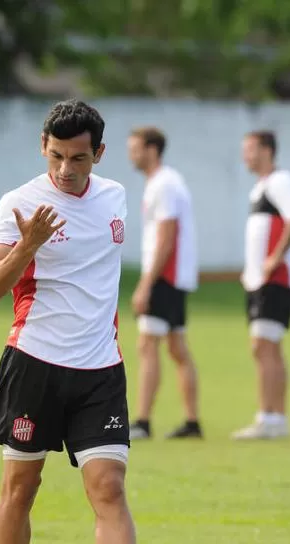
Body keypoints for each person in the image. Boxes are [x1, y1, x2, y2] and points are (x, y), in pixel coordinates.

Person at [0, 99, 137, 544]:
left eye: (78, 159)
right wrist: (28, 245)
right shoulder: (18, 204)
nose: (65, 170)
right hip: (35, 364)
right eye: (56, 157)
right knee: (21, 489)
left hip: (100, 368)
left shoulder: (115, 197)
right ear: (43, 149)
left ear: (100, 154)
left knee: (109, 488)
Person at [125, 126, 202, 440]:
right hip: (173, 277)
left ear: (152, 149)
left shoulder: (164, 184)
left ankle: (142, 421)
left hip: (165, 277)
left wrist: (146, 283)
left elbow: (167, 236)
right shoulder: (163, 182)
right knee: (177, 348)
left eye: (135, 148)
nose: (131, 154)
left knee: (147, 344)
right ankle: (192, 422)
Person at [233, 131, 290, 440]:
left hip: (275, 279)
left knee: (265, 347)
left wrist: (275, 258)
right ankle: (274, 418)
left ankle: (270, 418)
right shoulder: (259, 188)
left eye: (249, 149)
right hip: (258, 281)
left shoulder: (280, 181)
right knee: (264, 347)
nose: (245, 155)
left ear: (266, 151)